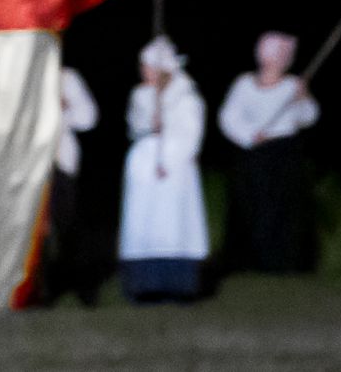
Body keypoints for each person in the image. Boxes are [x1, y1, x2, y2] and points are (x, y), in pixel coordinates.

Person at [218, 32, 320, 273]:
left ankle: (283, 262)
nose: (278, 60)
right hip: (253, 154)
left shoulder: (293, 85)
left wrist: (303, 96)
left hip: (284, 153)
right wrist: (250, 136)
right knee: (251, 206)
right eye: (274, 55)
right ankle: (248, 261)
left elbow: (309, 116)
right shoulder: (244, 83)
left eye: (283, 56)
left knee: (283, 209)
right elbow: (228, 117)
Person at [119, 36, 208, 302]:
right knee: (144, 225)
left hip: (172, 171)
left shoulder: (185, 96)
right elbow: (135, 126)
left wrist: (168, 158)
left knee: (172, 225)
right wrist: (150, 122)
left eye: (149, 67)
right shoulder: (140, 94)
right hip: (144, 169)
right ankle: (143, 285)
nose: (144, 72)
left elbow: (191, 135)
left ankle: (177, 286)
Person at [44, 65, 99, 303]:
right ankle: (44, 288)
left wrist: (66, 104)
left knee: (68, 226)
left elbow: (89, 117)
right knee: (37, 231)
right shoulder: (22, 74)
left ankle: (82, 288)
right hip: (31, 165)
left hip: (62, 162)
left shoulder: (68, 78)